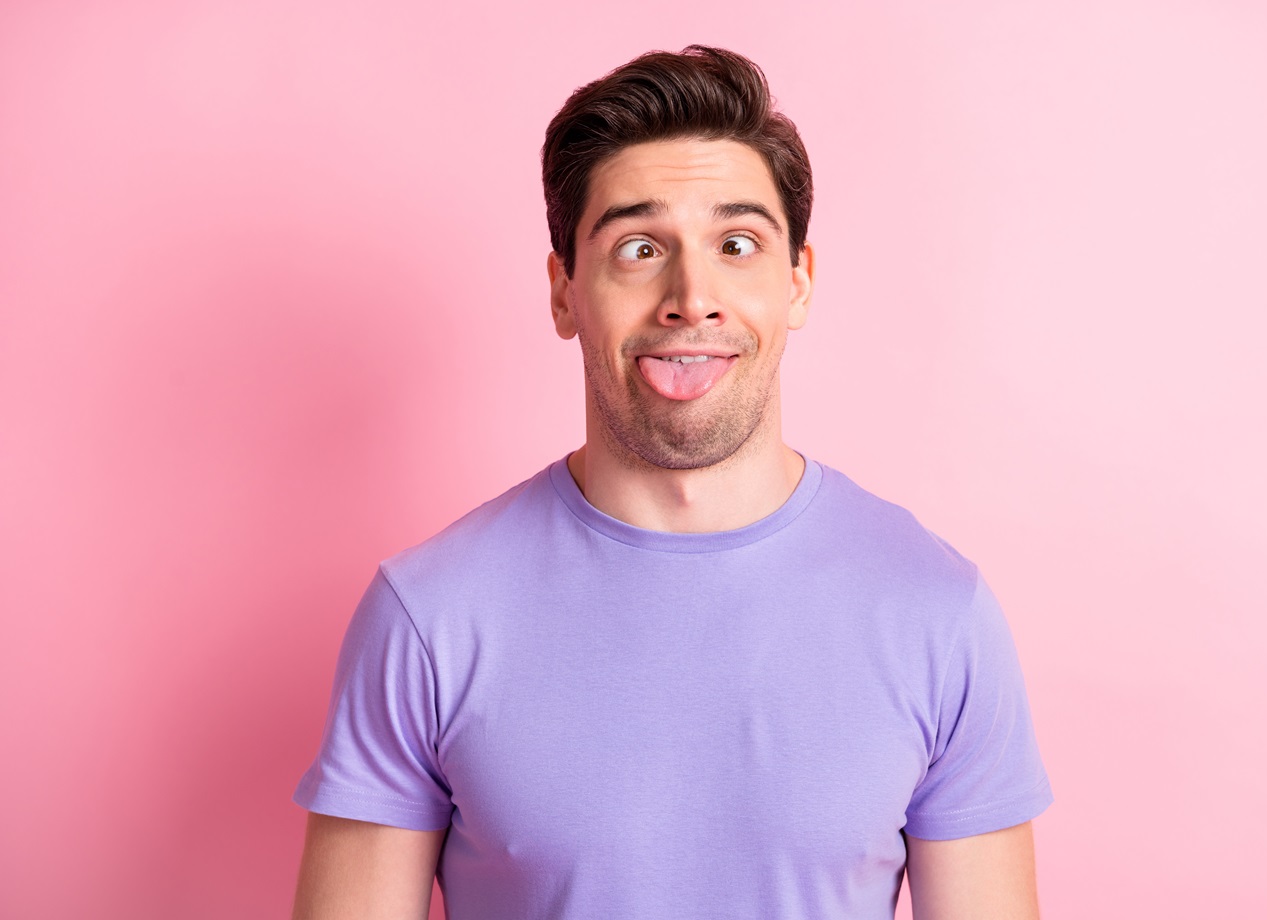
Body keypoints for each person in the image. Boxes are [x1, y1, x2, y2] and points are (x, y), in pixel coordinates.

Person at [291, 45, 1052, 920]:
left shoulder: (936, 612)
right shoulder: (427, 616)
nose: (693, 297)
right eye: (639, 247)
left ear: (797, 282)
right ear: (564, 291)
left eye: (737, 244)